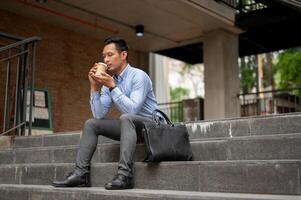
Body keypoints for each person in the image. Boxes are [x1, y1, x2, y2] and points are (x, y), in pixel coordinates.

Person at [52, 36, 158, 189]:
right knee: (91, 124)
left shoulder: (138, 76)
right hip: (129, 127)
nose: (106, 60)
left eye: (110, 55)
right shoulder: (109, 80)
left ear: (123, 55)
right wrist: (94, 87)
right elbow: (99, 115)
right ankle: (81, 174)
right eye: (104, 56)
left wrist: (112, 87)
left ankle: (125, 175)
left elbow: (133, 110)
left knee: (126, 117)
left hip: (151, 127)